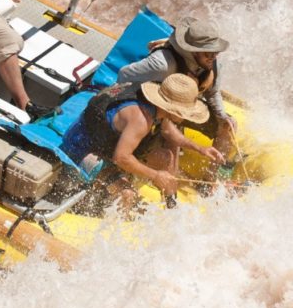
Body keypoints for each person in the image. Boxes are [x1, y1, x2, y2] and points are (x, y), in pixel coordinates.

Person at [61, 74, 224, 211]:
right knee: (127, 194)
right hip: (82, 151)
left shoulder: (158, 109)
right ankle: (109, 219)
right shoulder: (140, 118)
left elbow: (168, 132)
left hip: (110, 145)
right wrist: (155, 175)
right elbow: (122, 158)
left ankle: (171, 209)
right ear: (172, 109)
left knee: (166, 158)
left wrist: (200, 148)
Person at [117, 16, 237, 161]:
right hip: (161, 109)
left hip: (186, 108)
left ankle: (210, 179)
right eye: (209, 53)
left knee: (228, 125)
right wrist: (144, 113)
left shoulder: (212, 64)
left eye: (216, 52)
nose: (214, 57)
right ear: (194, 51)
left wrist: (222, 116)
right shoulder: (163, 64)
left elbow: (212, 93)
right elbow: (124, 75)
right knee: (171, 141)